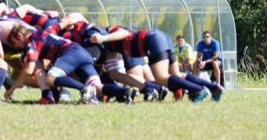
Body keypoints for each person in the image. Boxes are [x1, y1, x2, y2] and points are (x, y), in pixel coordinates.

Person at [90, 27, 224, 102]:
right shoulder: (110, 48)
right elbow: (113, 71)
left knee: (161, 78)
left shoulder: (107, 32)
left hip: (151, 40)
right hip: (162, 36)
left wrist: (104, 37)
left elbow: (123, 32)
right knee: (177, 77)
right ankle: (213, 87)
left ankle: (198, 89)